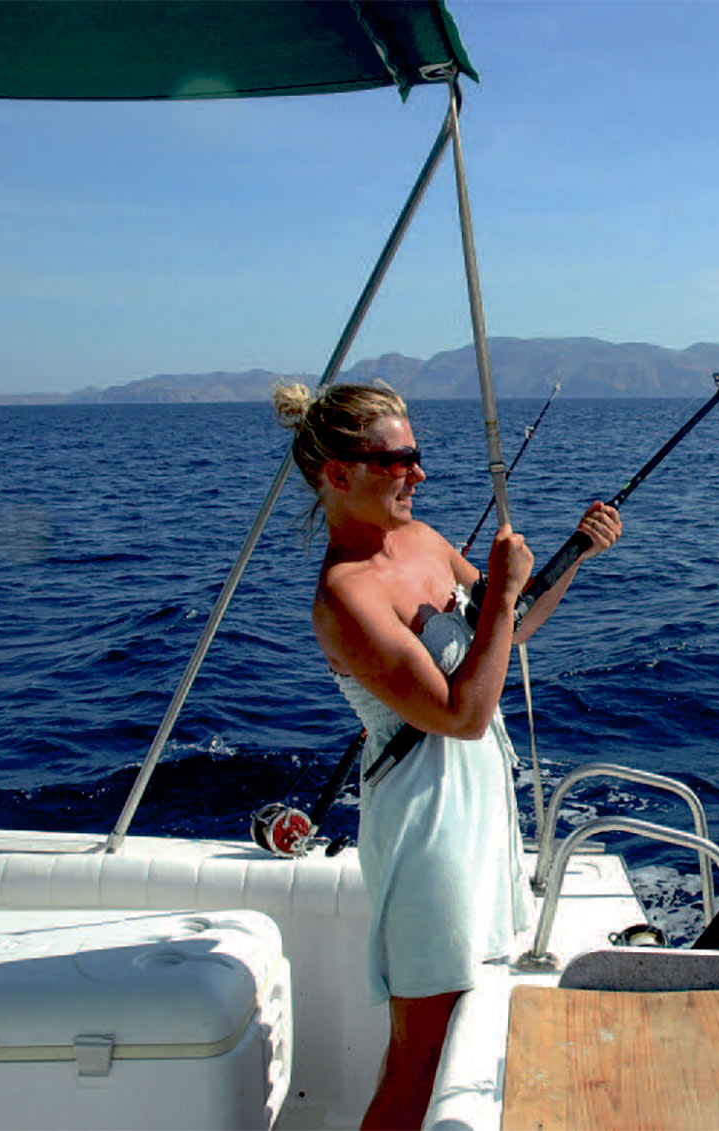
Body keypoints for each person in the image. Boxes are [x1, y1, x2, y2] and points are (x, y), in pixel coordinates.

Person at [272, 381, 621, 1130]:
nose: (418, 473)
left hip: (481, 818)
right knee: (419, 1057)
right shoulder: (345, 598)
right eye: (397, 459)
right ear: (339, 473)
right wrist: (498, 598)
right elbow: (463, 713)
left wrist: (576, 553)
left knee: (468, 1026)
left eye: (416, 455)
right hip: (427, 838)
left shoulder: (427, 541)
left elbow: (511, 630)